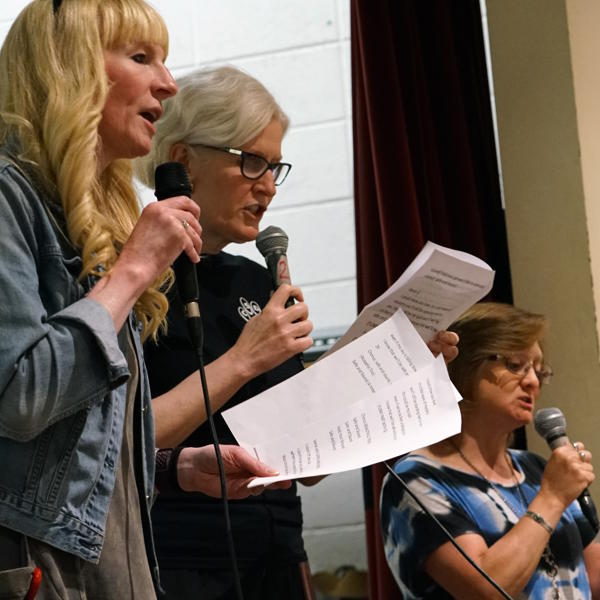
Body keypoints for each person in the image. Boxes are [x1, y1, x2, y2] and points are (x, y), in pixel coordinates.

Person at [134, 65, 462, 600]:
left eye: (274, 166)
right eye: (251, 161)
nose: (267, 185)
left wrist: (388, 369)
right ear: (182, 159)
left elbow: (305, 466)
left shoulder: (254, 279)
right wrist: (244, 357)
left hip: (281, 557)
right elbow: (119, 438)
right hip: (176, 561)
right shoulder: (132, 277)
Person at [0, 3, 287, 599]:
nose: (169, 82)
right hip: (39, 566)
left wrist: (173, 468)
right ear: (70, 68)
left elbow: (81, 435)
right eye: (141, 58)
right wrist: (133, 269)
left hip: (116, 556)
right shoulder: (9, 199)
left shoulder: (88, 221)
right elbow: (20, 398)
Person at [380, 302, 600, 599]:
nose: (533, 381)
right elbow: (487, 590)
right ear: (463, 368)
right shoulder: (417, 480)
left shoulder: (535, 469)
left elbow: (594, 576)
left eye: (538, 369)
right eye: (514, 365)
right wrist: (553, 497)